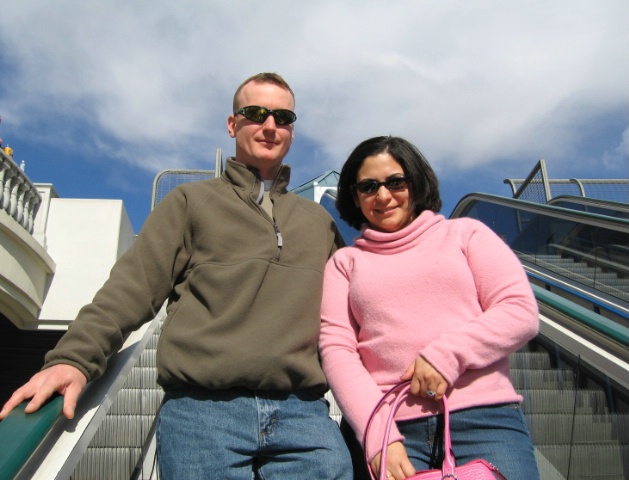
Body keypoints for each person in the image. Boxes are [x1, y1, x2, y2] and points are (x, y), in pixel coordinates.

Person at [0, 73, 352, 479]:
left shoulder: (319, 222)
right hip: (202, 414)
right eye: (256, 113)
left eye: (283, 117)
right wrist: (73, 360)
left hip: (304, 415)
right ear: (233, 124)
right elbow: (131, 289)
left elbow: (352, 313)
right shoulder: (190, 202)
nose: (270, 125)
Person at [319, 136, 540, 480]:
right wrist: (377, 436)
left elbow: (519, 310)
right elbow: (337, 351)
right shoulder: (344, 263)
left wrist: (446, 355)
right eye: (368, 186)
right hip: (389, 427)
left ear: (416, 182)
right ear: (354, 195)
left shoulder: (466, 234)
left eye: (396, 181)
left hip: (487, 421)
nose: (383, 195)